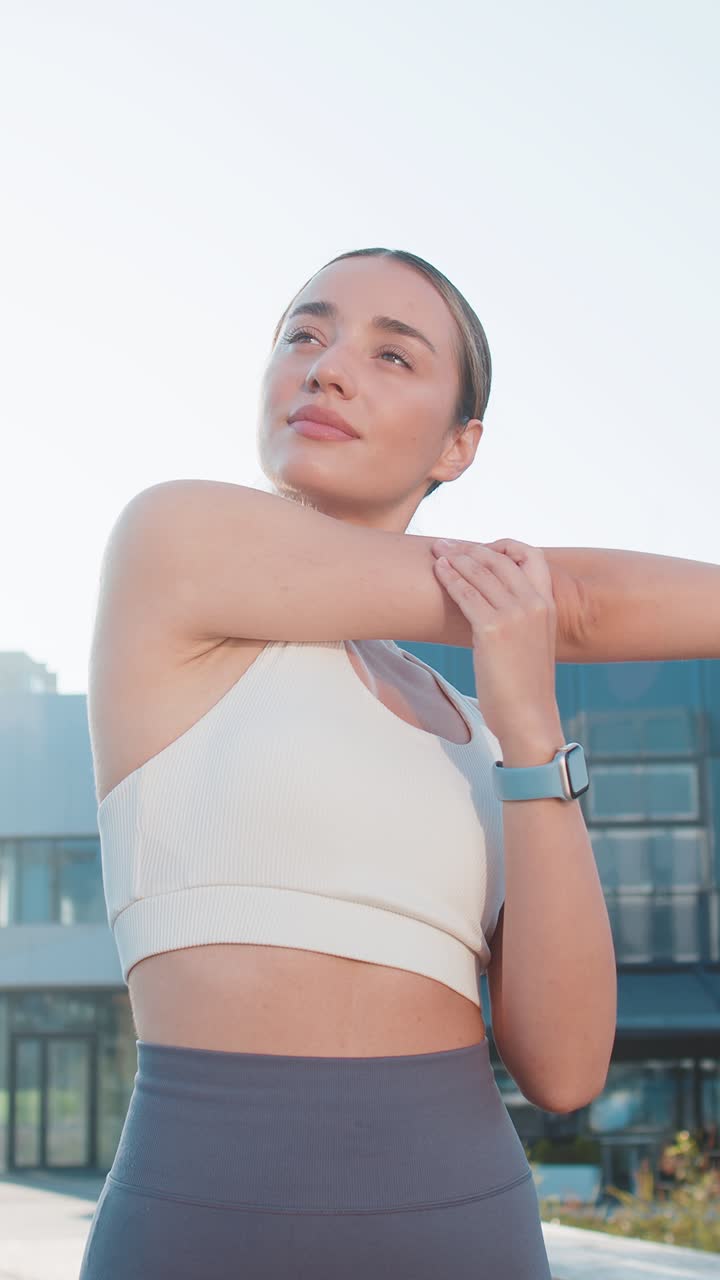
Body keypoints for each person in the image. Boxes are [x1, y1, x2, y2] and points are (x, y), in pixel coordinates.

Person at [80, 246, 592, 1277]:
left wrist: (531, 739)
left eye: (393, 354)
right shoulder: (174, 545)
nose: (327, 367)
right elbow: (577, 600)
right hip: (200, 1235)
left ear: (460, 444)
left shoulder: (477, 730)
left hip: (477, 1237)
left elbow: (567, 1067)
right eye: (303, 335)